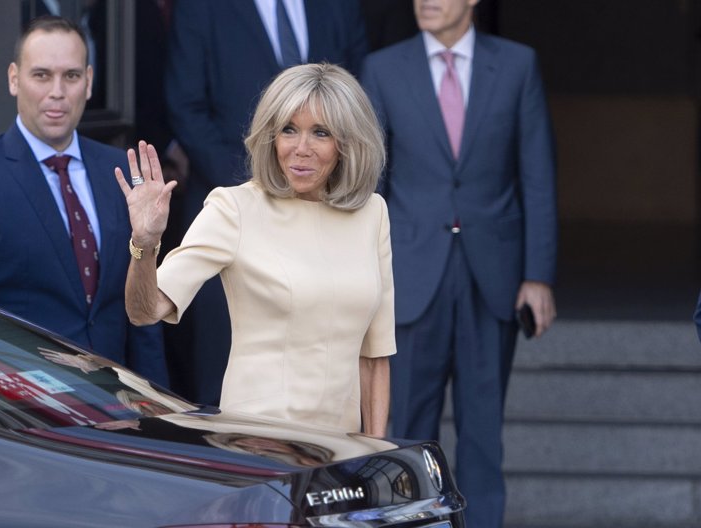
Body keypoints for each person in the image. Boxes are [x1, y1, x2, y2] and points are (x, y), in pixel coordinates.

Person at [360, 0, 558, 526]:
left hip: (492, 275)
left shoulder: (517, 65)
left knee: (483, 435)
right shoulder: (383, 68)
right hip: (409, 276)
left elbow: (537, 175)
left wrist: (537, 275)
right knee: (407, 433)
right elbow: (371, 183)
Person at [117, 63, 393, 435]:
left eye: (320, 133)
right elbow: (144, 311)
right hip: (259, 442)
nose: (301, 149)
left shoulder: (372, 213)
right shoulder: (234, 208)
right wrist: (145, 244)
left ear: (346, 143)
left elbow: (374, 356)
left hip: (341, 448)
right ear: (271, 137)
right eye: (288, 130)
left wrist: (375, 452)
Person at [0, 16, 168, 386]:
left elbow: (141, 317)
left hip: (119, 402)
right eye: (41, 75)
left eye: (71, 76)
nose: (57, 91)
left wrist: (156, 404)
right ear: (13, 79)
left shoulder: (118, 170)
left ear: (88, 82)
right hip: (22, 407)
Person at [164, 0, 370, 406]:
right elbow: (186, 107)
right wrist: (263, 187)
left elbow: (358, 102)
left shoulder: (338, 7)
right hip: (235, 207)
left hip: (327, 216)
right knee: (224, 380)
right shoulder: (202, 9)